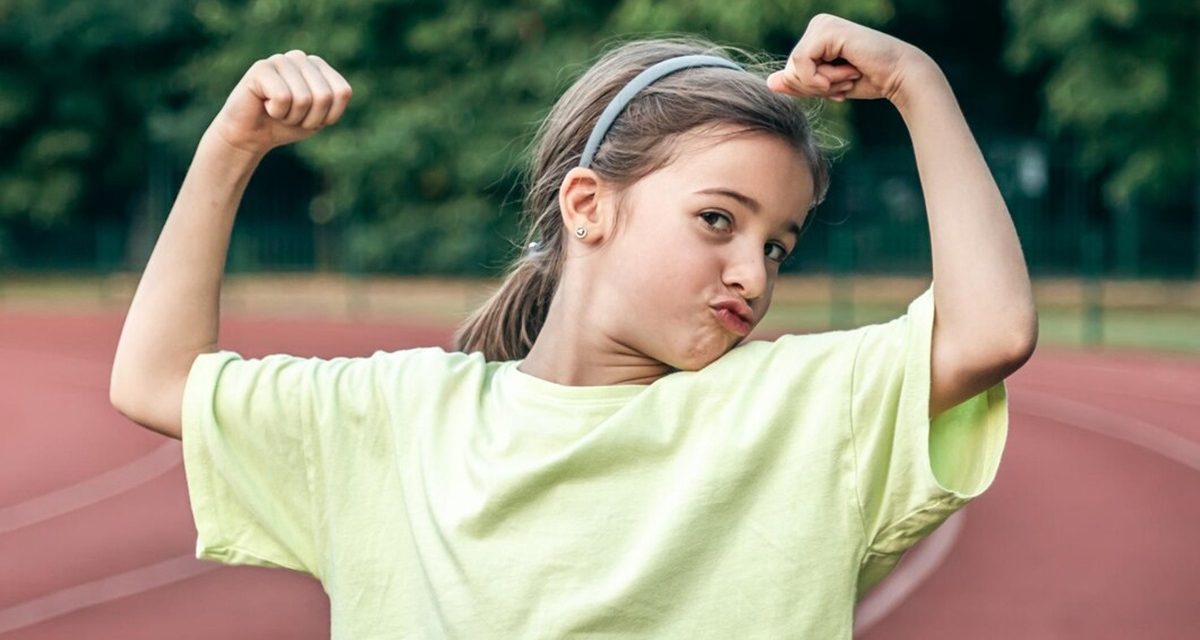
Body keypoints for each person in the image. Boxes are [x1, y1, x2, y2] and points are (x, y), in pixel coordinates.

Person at [110, 13, 1036, 639]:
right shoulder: (396, 418)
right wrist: (231, 147)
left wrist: (918, 82)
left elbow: (990, 329)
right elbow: (153, 383)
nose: (752, 274)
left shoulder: (797, 409)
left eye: (780, 245)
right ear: (588, 205)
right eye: (718, 220)